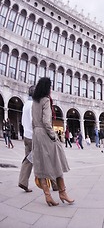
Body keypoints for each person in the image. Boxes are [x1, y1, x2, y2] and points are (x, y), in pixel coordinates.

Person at [31, 77, 74, 206]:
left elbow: (33, 121)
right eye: (50, 87)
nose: (51, 89)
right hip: (44, 133)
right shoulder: (45, 101)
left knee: (41, 164)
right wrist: (53, 136)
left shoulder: (35, 101)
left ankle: (48, 196)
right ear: (47, 88)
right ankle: (62, 192)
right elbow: (46, 121)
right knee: (57, 161)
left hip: (36, 134)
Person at [18, 86, 35, 193]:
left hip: (26, 135)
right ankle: (54, 183)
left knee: (28, 159)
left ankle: (23, 181)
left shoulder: (26, 104)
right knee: (44, 159)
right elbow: (35, 122)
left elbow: (23, 122)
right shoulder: (34, 105)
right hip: (34, 137)